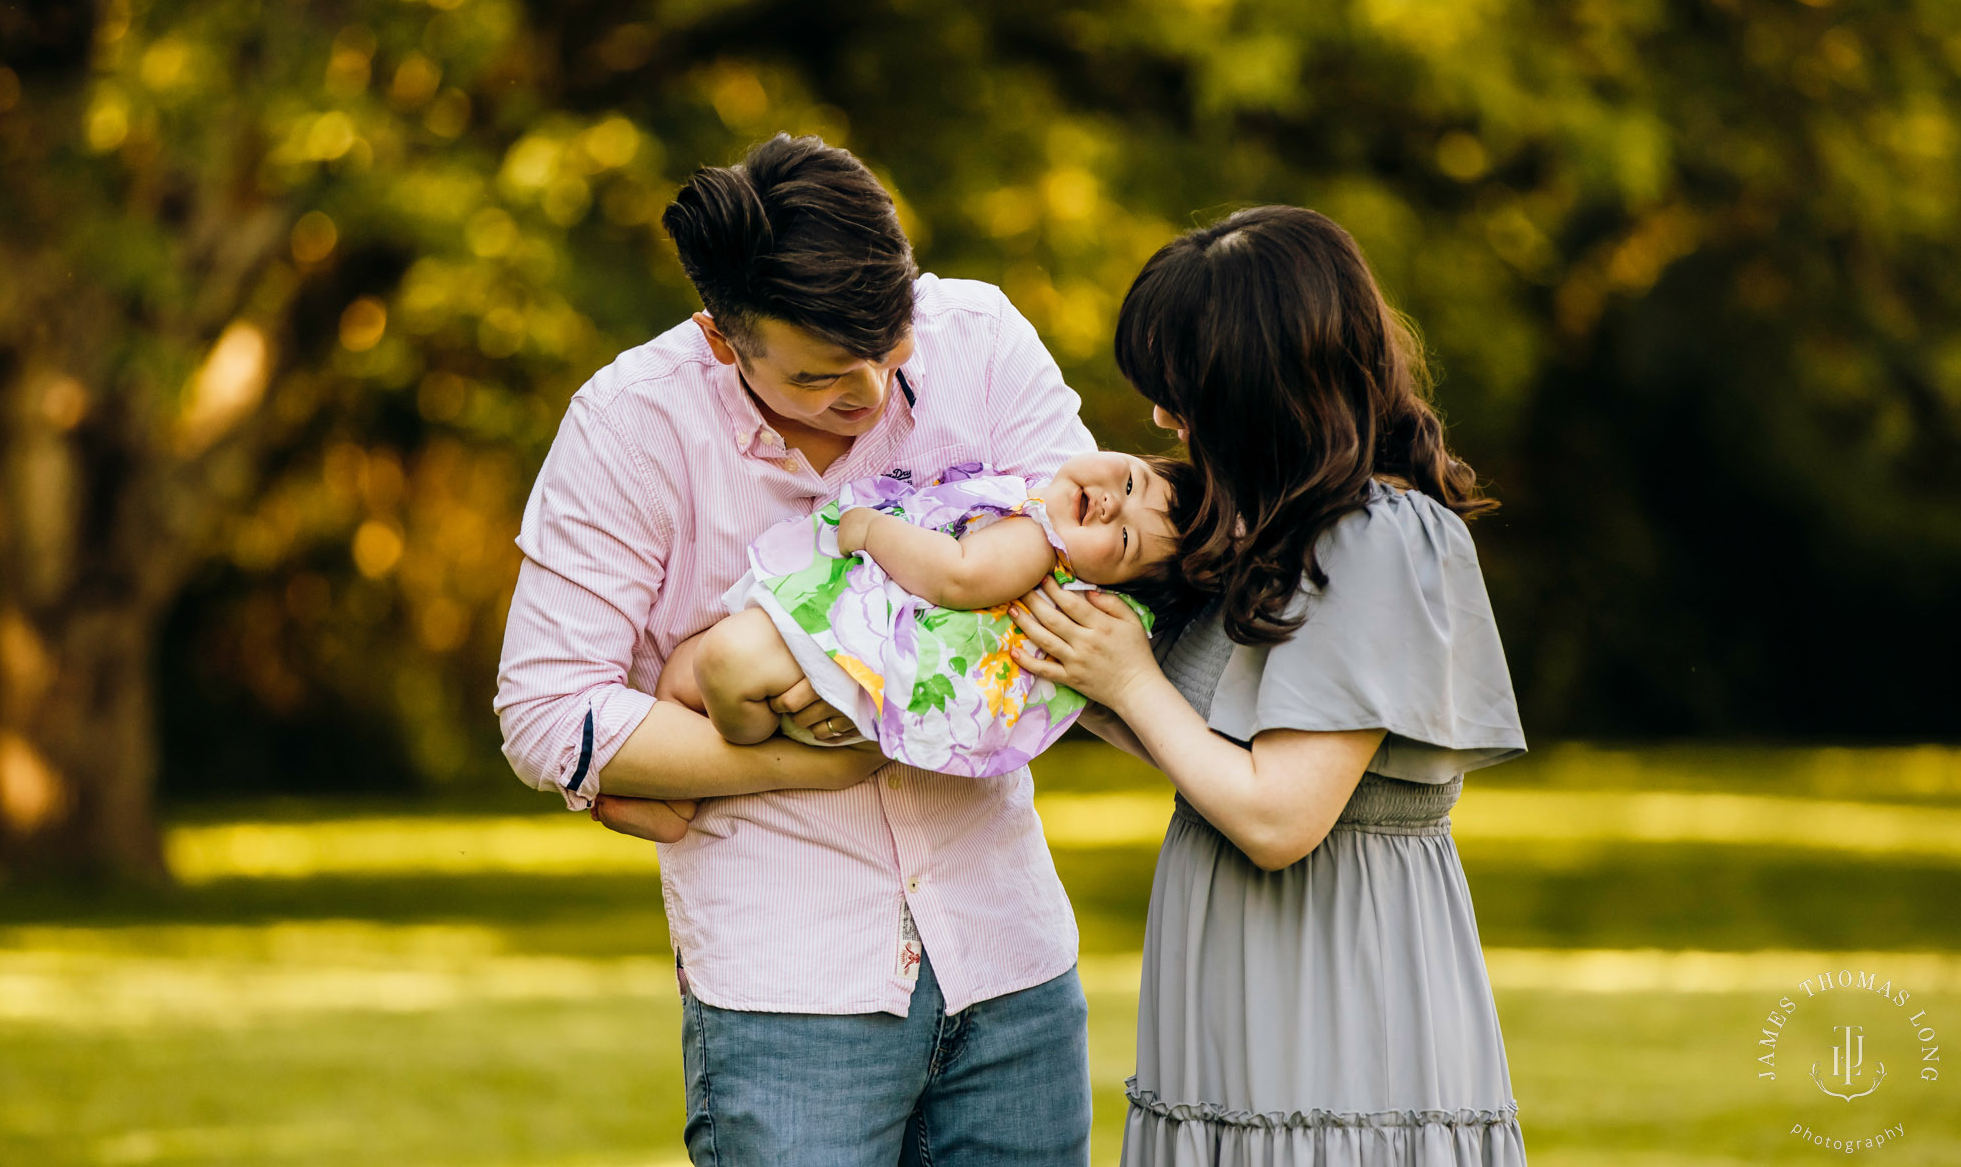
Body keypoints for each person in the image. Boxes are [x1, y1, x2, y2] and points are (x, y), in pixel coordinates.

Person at [494, 133, 1097, 1165]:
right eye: (821, 376)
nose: (866, 391)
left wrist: (747, 675)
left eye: (890, 347)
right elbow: (550, 712)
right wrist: (802, 759)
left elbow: (1092, 562)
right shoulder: (630, 427)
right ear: (722, 338)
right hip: (787, 989)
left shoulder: (981, 339)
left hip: (1009, 958)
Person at [1009, 206, 1530, 1165]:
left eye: (1185, 390)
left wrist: (1126, 677)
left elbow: (1281, 817)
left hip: (1336, 976)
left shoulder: (1372, 538)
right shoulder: (1263, 523)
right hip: (1239, 973)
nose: (1166, 417)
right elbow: (1205, 738)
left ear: (1261, 387)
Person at [665, 450, 1180, 777]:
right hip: (846, 618)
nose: (1115, 504)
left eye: (1127, 539)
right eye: (1133, 483)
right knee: (685, 673)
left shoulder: (1037, 545)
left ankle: (752, 746)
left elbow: (958, 575)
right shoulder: (1033, 501)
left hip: (857, 644)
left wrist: (871, 531)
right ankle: (670, 776)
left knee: (721, 659)